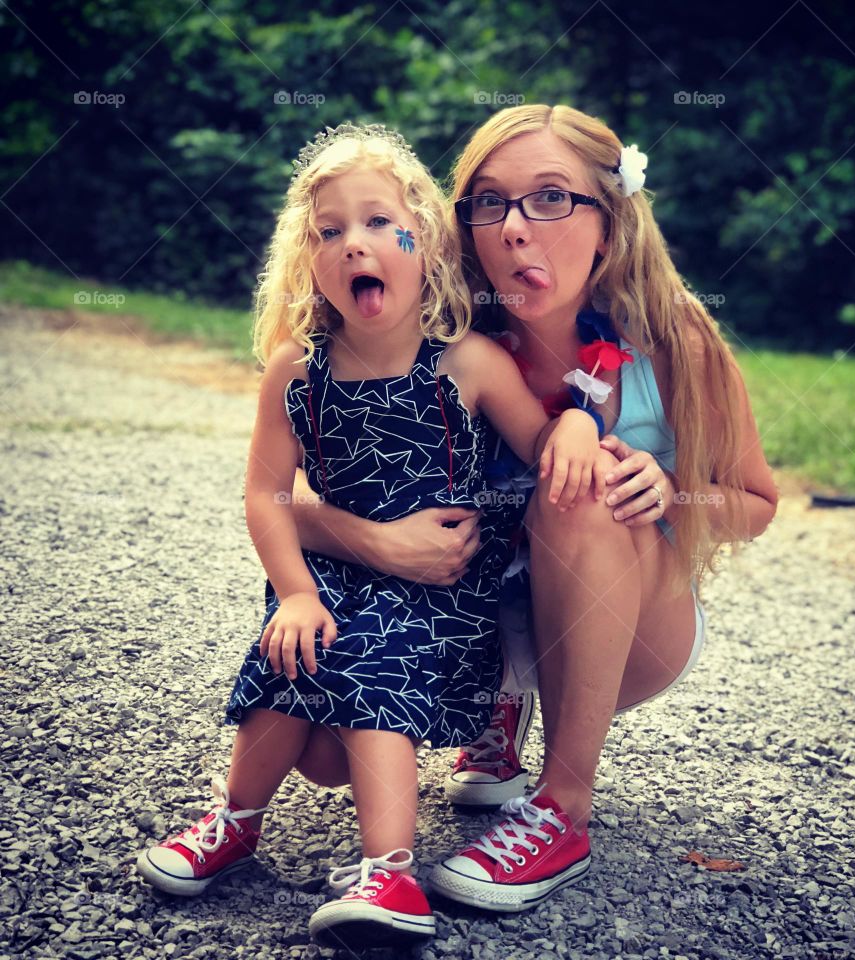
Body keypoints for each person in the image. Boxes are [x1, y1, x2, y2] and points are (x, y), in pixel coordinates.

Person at [287, 105, 780, 913]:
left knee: (577, 490)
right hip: (468, 622)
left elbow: (758, 502)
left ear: (611, 224)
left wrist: (671, 491)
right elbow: (290, 496)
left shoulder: (673, 342)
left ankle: (562, 810)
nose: (515, 228)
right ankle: (497, 708)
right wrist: (379, 543)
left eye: (551, 198)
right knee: (320, 757)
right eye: (489, 201)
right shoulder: (435, 332)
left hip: (624, 626)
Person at [133, 122, 603, 945]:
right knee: (298, 646)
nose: (357, 244)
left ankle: (389, 872)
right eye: (330, 231)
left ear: (425, 241)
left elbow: (538, 447)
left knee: (366, 651)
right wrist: (293, 593)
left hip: (445, 592)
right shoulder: (297, 370)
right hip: (335, 578)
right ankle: (236, 820)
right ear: (305, 258)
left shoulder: (466, 364)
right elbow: (266, 493)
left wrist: (575, 429)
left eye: (382, 223)